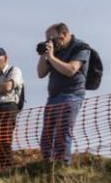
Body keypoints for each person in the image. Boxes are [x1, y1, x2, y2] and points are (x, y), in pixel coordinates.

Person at [37, 23, 90, 164]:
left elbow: (71, 69)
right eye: (47, 40)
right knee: (47, 136)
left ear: (64, 35)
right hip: (53, 97)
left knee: (62, 132)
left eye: (52, 39)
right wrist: (44, 55)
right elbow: (41, 73)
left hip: (71, 95)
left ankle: (62, 167)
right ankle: (46, 166)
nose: (50, 42)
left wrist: (52, 57)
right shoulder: (56, 50)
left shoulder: (80, 47)